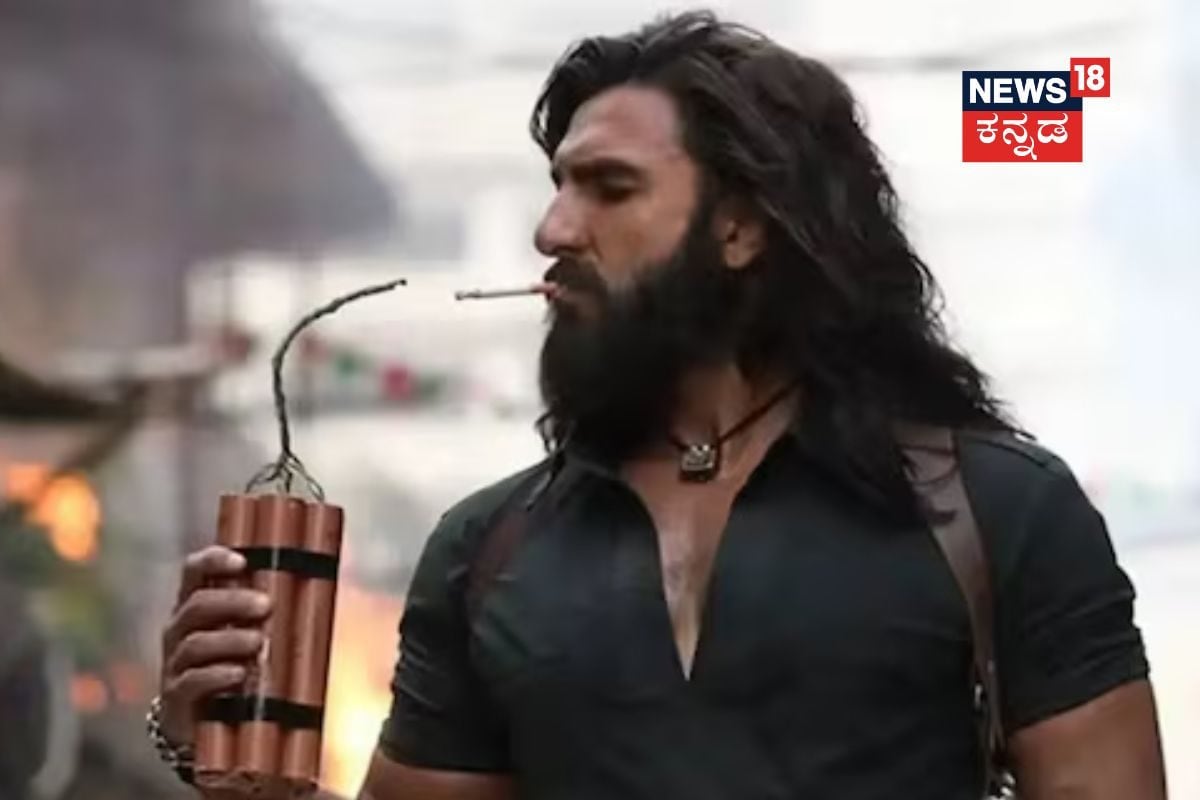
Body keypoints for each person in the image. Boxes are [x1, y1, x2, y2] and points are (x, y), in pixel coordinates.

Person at [151, 11, 1166, 799]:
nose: (553, 230)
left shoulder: (991, 513)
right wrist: (227, 760)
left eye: (610, 187)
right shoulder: (490, 549)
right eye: (558, 185)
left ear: (740, 228)